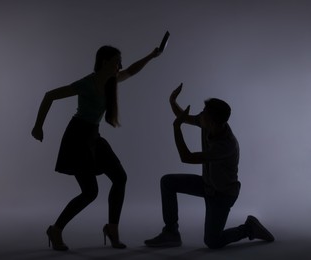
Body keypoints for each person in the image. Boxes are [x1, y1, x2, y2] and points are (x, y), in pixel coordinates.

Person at [32, 45, 161, 251]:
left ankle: (112, 228)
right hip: (77, 139)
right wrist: (38, 126)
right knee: (90, 192)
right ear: (104, 62)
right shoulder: (86, 84)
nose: (121, 65)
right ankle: (56, 229)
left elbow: (131, 71)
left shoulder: (112, 80)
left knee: (120, 178)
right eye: (117, 61)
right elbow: (49, 95)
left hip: (93, 136)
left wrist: (151, 56)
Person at [144, 83, 275, 249]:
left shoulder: (226, 145)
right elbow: (183, 116)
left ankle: (249, 228)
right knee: (167, 182)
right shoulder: (209, 124)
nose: (200, 114)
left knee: (213, 241)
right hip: (207, 185)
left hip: (222, 194)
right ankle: (171, 232)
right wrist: (172, 101)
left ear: (212, 121)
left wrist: (176, 128)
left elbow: (186, 157)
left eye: (204, 113)